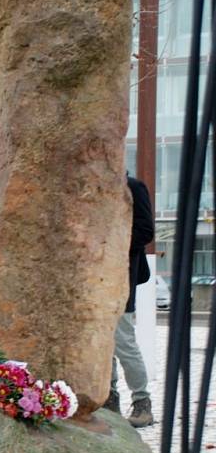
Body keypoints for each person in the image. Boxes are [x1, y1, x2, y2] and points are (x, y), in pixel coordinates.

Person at [103, 175, 154, 428]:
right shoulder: (94, 186)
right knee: (101, 344)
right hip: (95, 279)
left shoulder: (133, 186)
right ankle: (108, 399)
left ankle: (142, 402)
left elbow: (145, 230)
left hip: (122, 276)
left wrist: (109, 245)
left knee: (123, 342)